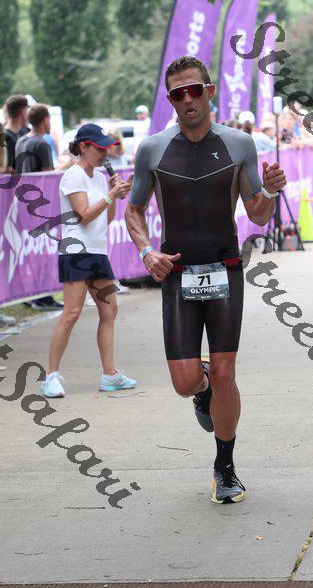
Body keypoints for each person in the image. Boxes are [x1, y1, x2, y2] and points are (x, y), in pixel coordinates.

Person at [125, 55, 286, 504]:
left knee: (225, 370)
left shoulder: (239, 144)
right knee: (184, 382)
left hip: (224, 269)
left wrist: (271, 190)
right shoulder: (152, 149)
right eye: (178, 93)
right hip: (177, 272)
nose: (187, 99)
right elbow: (134, 210)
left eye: (194, 90)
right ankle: (203, 390)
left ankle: (225, 466)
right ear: (170, 98)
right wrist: (147, 251)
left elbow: (257, 213)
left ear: (209, 91)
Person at [41, 123, 137, 398]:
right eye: (99, 148)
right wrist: (111, 195)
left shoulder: (98, 177)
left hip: (97, 251)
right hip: (76, 252)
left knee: (109, 311)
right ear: (83, 147)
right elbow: (83, 215)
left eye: (106, 148)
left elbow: (106, 218)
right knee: (71, 313)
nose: (104, 153)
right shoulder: (73, 175)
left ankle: (110, 374)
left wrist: (113, 196)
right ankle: (51, 376)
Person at [14, 104, 62, 311]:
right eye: (49, 119)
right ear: (45, 120)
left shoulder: (21, 140)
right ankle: (44, 296)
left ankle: (32, 294)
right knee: (43, 253)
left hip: (23, 203)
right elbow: (47, 176)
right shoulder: (41, 143)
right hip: (40, 206)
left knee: (30, 253)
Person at [4, 94, 29, 173]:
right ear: (22, 112)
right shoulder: (4, 137)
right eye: (26, 110)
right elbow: (7, 168)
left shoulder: (27, 132)